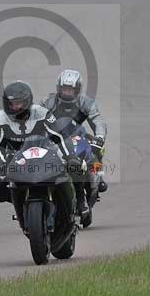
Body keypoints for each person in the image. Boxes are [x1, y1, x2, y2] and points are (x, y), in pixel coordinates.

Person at [0, 81, 85, 214]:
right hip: (15, 158)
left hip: (46, 152)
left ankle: (81, 201)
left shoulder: (42, 113)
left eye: (19, 103)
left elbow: (60, 136)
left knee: (76, 166)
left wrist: (71, 157)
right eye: (11, 104)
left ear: (27, 102)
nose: (15, 107)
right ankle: (23, 200)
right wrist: (2, 163)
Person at [42, 69, 109, 203]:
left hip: (78, 137)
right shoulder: (48, 102)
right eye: (64, 89)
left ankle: (97, 177)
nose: (67, 92)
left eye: (70, 89)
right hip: (55, 138)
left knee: (96, 151)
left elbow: (98, 121)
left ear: (77, 89)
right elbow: (36, 119)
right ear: (59, 88)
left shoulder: (86, 103)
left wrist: (100, 137)